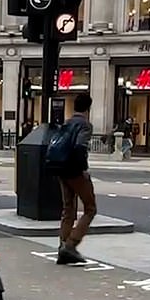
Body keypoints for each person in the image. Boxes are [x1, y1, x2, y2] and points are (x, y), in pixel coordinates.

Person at [57, 94, 97, 265]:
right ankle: (71, 245)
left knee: (68, 209)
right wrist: (83, 170)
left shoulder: (66, 123)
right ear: (88, 108)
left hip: (61, 169)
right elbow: (80, 147)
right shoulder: (85, 125)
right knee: (90, 208)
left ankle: (62, 246)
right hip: (75, 171)